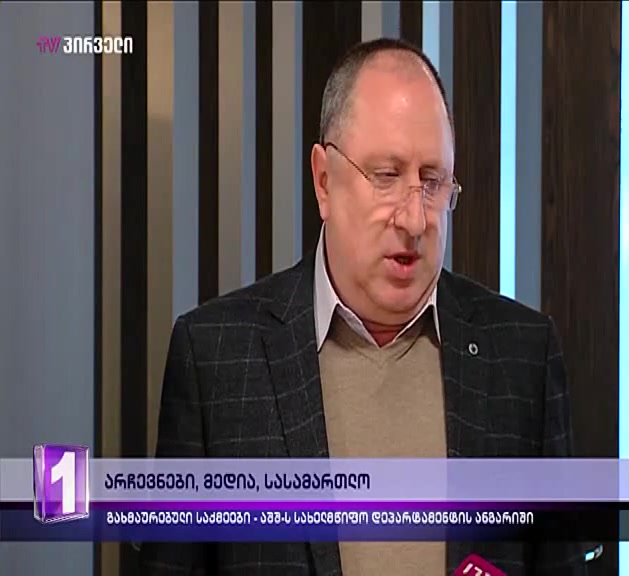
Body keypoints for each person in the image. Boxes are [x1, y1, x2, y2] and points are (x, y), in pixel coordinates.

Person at [140, 38, 586, 575]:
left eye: (433, 182)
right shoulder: (215, 360)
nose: (415, 220)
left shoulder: (522, 358)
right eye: (386, 176)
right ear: (324, 181)